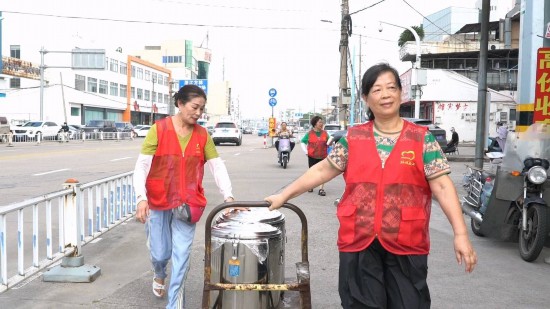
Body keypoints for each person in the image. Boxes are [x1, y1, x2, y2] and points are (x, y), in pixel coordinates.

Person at [265, 63, 477, 309]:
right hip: (359, 240)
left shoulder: (422, 139)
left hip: (407, 242)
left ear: (401, 93)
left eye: (391, 88)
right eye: (377, 90)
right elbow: (323, 169)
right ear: (366, 98)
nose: (385, 94)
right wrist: (284, 195)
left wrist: (461, 234)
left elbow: (442, 185)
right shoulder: (354, 138)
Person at [133, 84, 235, 309]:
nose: (198, 113)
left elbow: (217, 166)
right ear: (180, 104)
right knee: (160, 254)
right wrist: (141, 197)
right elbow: (142, 166)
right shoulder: (158, 129)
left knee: (181, 257)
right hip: (159, 202)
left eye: (201, 109)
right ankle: (159, 272)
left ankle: (175, 304)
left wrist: (228, 197)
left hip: (188, 204)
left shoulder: (202, 135)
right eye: (194, 107)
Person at [300, 116, 329, 196]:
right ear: (315, 124)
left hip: (323, 156)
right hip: (312, 156)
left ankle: (321, 189)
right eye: (319, 122)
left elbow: (329, 142)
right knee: (312, 172)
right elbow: (302, 142)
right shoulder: (309, 134)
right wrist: (306, 152)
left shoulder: (325, 133)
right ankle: (311, 186)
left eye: (322, 122)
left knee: (323, 173)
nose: (321, 124)